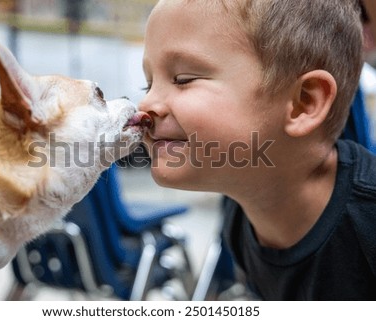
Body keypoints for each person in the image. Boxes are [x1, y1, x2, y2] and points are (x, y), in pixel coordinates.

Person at [139, 0, 376, 300]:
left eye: (183, 79)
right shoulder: (240, 220)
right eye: (146, 85)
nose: (145, 106)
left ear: (304, 102)